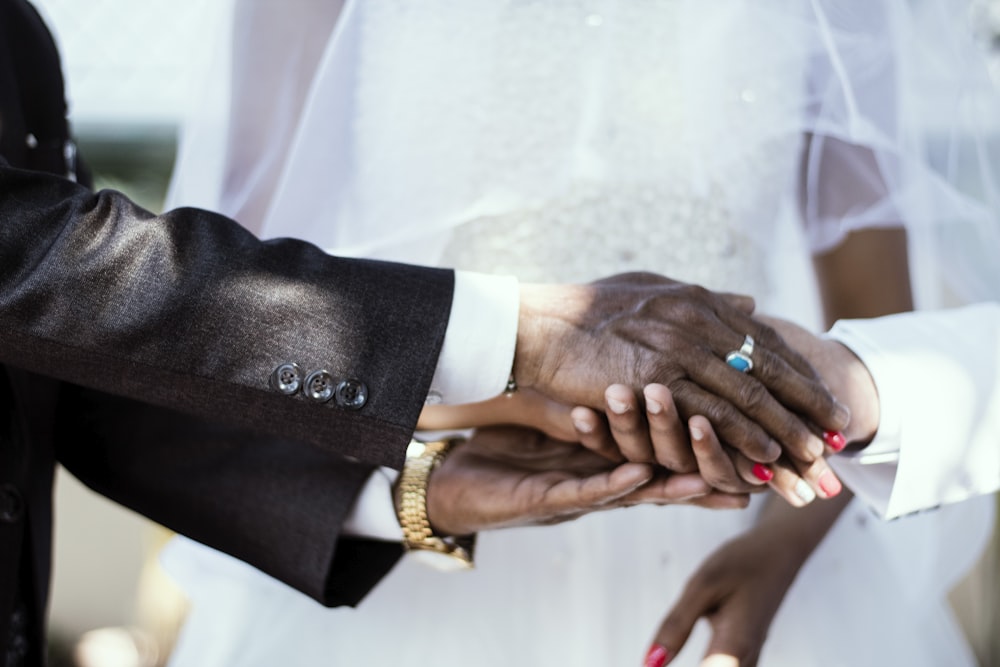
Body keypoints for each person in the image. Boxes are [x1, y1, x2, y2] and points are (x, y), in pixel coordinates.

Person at [0, 1, 851, 664]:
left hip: (726, 512)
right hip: (414, 591)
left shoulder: (19, 40)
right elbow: (147, 307)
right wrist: (525, 340)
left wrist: (423, 489)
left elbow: (97, 375)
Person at [161, 1, 998, 666]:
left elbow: (875, 324)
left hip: (745, 518)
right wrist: (475, 425)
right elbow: (235, 306)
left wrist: (787, 541)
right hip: (435, 518)